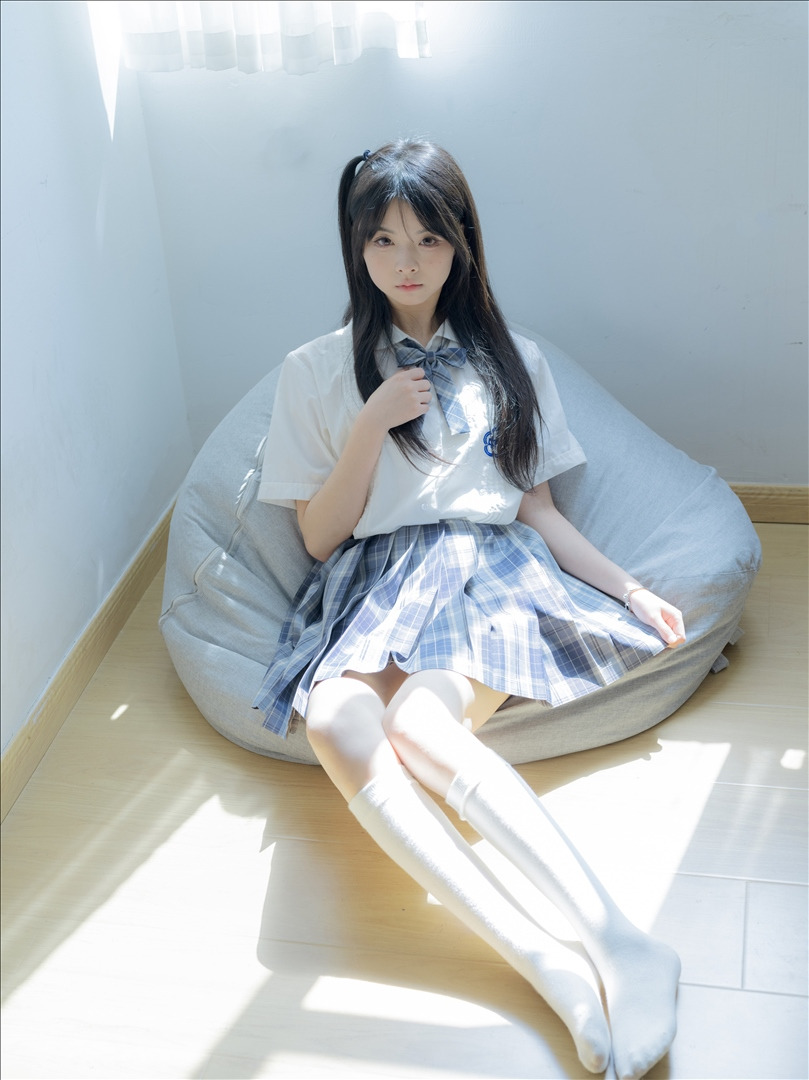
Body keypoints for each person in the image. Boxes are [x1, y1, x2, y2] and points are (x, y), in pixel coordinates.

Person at [253, 140, 685, 1079]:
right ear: (354, 249)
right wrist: (371, 422)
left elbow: (537, 511)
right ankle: (541, 961)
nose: (405, 262)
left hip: (485, 567)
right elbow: (320, 538)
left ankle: (619, 942)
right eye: (381, 240)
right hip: (372, 576)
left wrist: (628, 587)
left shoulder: (512, 360)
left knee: (421, 725)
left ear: (461, 243)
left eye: (428, 239)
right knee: (335, 719)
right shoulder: (314, 370)